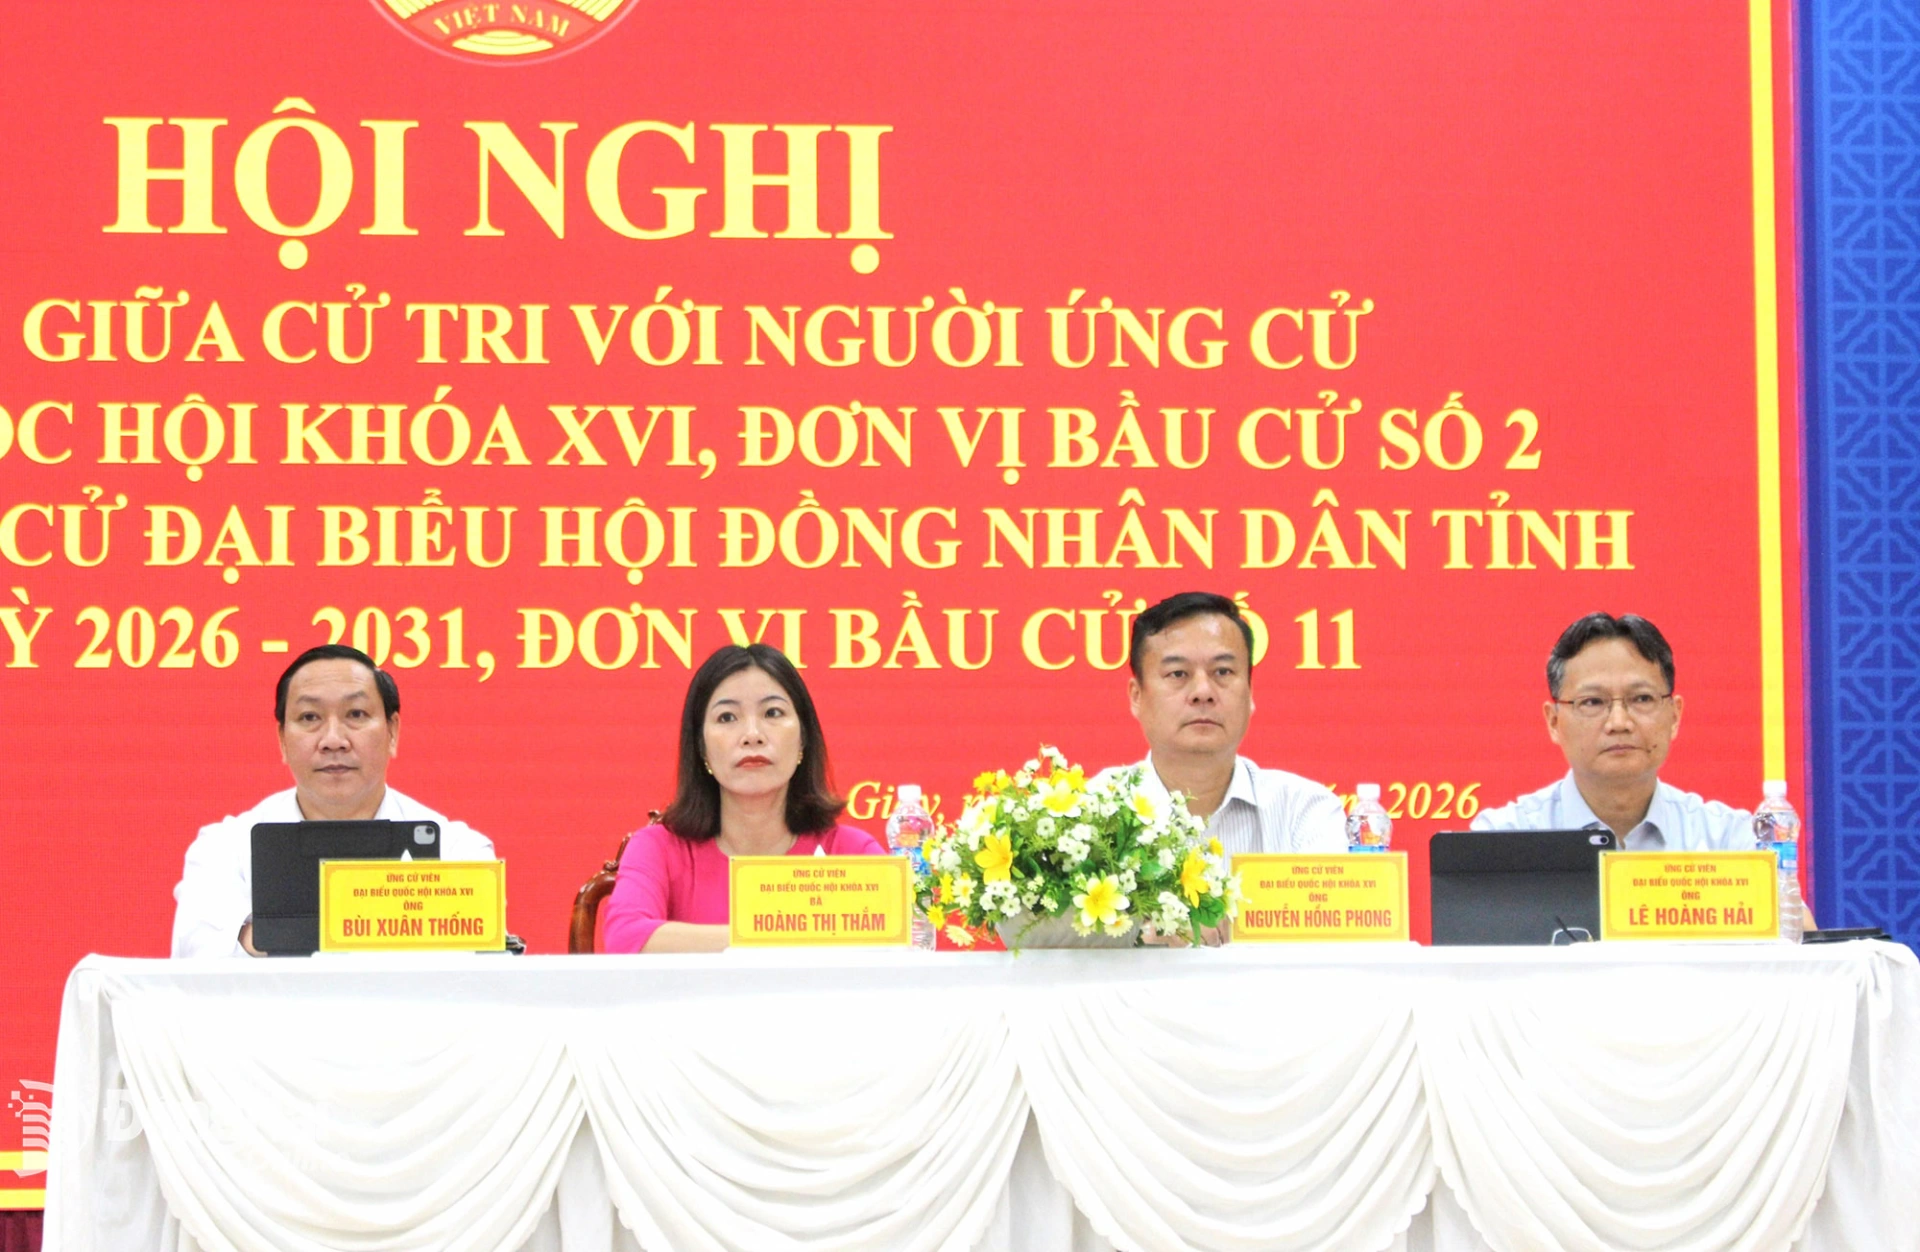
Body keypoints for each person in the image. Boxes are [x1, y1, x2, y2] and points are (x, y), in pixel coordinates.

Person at [170, 644, 494, 958]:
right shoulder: (223, 850)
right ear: (282, 740)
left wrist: (278, 936)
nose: (333, 740)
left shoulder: (458, 853)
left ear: (392, 732)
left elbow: (473, 974)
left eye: (356, 714)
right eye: (310, 717)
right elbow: (201, 964)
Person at [601, 644, 883, 953]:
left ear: (803, 739)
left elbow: (899, 944)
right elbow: (626, 938)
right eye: (727, 717)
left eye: (772, 713)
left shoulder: (851, 852)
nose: (752, 735)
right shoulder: (659, 848)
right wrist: (782, 935)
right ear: (701, 748)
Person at [1472, 612, 1756, 850]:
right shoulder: (1503, 840)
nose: (1619, 723)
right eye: (1593, 702)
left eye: (1641, 699)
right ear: (1554, 722)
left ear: (1674, 715)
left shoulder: (1727, 841)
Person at [1107, 591, 1347, 856]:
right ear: (1137, 696)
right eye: (1178, 673)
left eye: (1222, 671)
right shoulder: (1093, 812)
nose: (1203, 692)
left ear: (1250, 692)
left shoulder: (1304, 812)